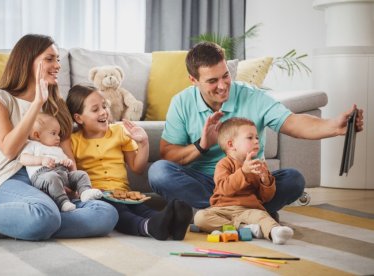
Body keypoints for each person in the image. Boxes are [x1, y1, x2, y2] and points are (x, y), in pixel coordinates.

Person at [148, 41, 364, 220]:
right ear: (193, 80)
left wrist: (334, 126)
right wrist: (202, 145)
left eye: (225, 76)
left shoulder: (252, 96)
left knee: (295, 179)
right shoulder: (182, 102)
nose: (222, 86)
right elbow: (169, 154)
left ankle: (223, 214)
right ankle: (247, 213)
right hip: (206, 183)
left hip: (251, 182)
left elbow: (293, 123)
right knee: (158, 172)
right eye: (212, 81)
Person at [0, 34, 118, 242]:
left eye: (58, 59)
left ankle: (4, 224)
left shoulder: (56, 105)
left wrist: (72, 184)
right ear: (27, 61)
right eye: (50, 59)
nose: (58, 65)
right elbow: (9, 149)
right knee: (45, 216)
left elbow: (66, 154)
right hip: (11, 178)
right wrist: (36, 104)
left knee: (106, 214)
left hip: (53, 178)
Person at [66, 84, 193, 241]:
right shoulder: (74, 142)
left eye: (104, 106)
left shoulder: (119, 132)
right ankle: (149, 227)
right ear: (78, 118)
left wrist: (143, 143)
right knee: (122, 214)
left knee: (142, 209)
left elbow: (137, 167)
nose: (103, 112)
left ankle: (174, 224)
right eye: (95, 109)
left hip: (124, 193)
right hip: (98, 195)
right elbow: (72, 175)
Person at [194, 117, 294, 245]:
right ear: (231, 145)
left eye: (257, 137)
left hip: (248, 209)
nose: (256, 141)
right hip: (222, 209)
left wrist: (265, 179)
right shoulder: (223, 164)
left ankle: (275, 232)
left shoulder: (257, 165)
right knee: (200, 218)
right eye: (250, 138)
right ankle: (242, 228)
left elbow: (266, 197)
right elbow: (224, 188)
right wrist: (244, 172)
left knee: (262, 216)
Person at [20, 113, 103, 212]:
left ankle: (85, 192)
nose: (58, 137)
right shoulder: (33, 145)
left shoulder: (57, 149)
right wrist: (41, 160)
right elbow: (23, 159)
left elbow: (67, 162)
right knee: (52, 177)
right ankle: (63, 202)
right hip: (43, 176)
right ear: (37, 135)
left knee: (81, 174)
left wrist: (68, 162)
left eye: (58, 134)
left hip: (63, 174)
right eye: (53, 133)